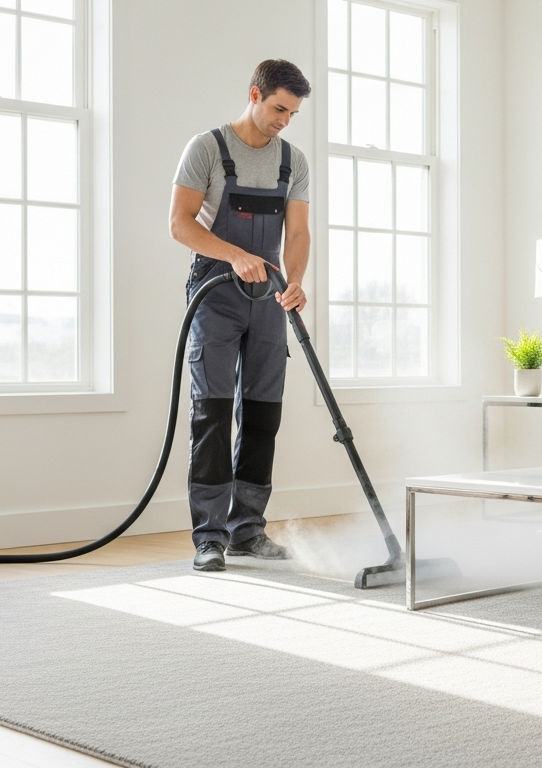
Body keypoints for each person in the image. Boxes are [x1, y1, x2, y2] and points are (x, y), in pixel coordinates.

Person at [169, 60, 312, 572]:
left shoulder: (292, 160)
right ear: (254, 94)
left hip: (269, 294)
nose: (284, 121)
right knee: (211, 411)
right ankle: (209, 536)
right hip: (215, 291)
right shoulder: (207, 148)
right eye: (278, 109)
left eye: (292, 114)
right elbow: (180, 224)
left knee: (262, 412)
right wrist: (234, 255)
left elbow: (298, 233)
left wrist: (294, 282)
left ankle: (247, 530)